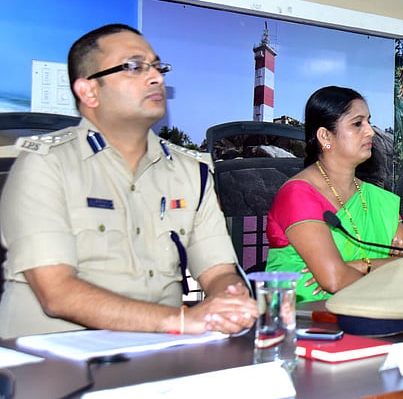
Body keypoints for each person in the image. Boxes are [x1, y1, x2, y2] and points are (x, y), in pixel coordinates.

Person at [0, 24, 256, 339]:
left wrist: (228, 298)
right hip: (49, 362)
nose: (156, 77)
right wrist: (177, 321)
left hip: (159, 355)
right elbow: (57, 293)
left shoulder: (192, 173)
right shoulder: (45, 164)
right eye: (134, 67)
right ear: (88, 91)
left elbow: (218, 270)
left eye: (158, 67)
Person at [265, 86, 403, 301]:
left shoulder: (376, 198)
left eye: (368, 121)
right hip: (305, 320)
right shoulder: (298, 195)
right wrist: (391, 268)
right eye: (358, 124)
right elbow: (334, 279)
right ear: (325, 136)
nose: (370, 131)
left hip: (372, 313)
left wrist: (358, 266)